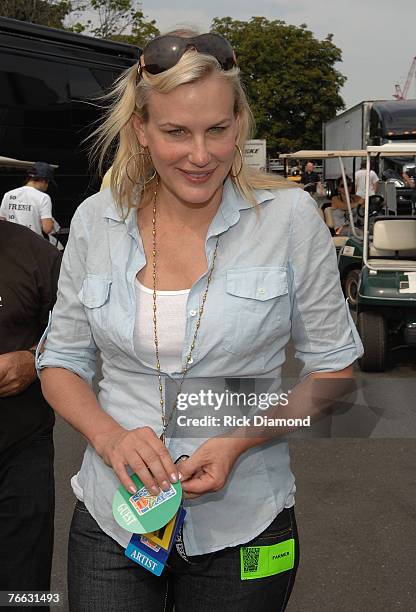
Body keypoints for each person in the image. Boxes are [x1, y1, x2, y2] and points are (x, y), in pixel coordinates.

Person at [38, 30, 363, 611]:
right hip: (115, 519)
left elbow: (337, 373)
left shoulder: (289, 218)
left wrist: (239, 441)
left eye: (217, 129)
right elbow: (60, 361)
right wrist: (111, 439)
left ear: (239, 121)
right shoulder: (95, 221)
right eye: (176, 132)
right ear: (141, 129)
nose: (201, 154)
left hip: (248, 521)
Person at [0, 221, 61, 601]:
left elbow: (76, 335)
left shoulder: (35, 254)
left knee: (23, 593)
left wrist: (32, 360)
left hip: (21, 451)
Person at [0, 161, 56, 236]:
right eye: (48, 182)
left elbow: (2, 221)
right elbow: (47, 228)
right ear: (43, 180)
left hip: (10, 242)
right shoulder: (43, 197)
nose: (47, 186)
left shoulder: (8, 194)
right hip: (32, 244)